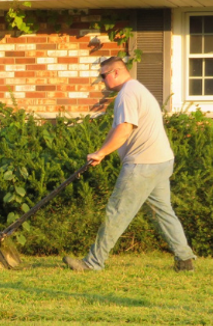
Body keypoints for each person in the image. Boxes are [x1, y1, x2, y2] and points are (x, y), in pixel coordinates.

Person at [63, 56, 197, 272]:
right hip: (160, 161)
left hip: (143, 164)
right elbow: (117, 129)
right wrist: (101, 153)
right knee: (162, 211)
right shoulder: (136, 90)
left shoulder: (127, 94)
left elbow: (125, 129)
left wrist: (102, 153)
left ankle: (93, 263)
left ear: (116, 72)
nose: (102, 81)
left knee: (117, 211)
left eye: (103, 76)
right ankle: (184, 260)